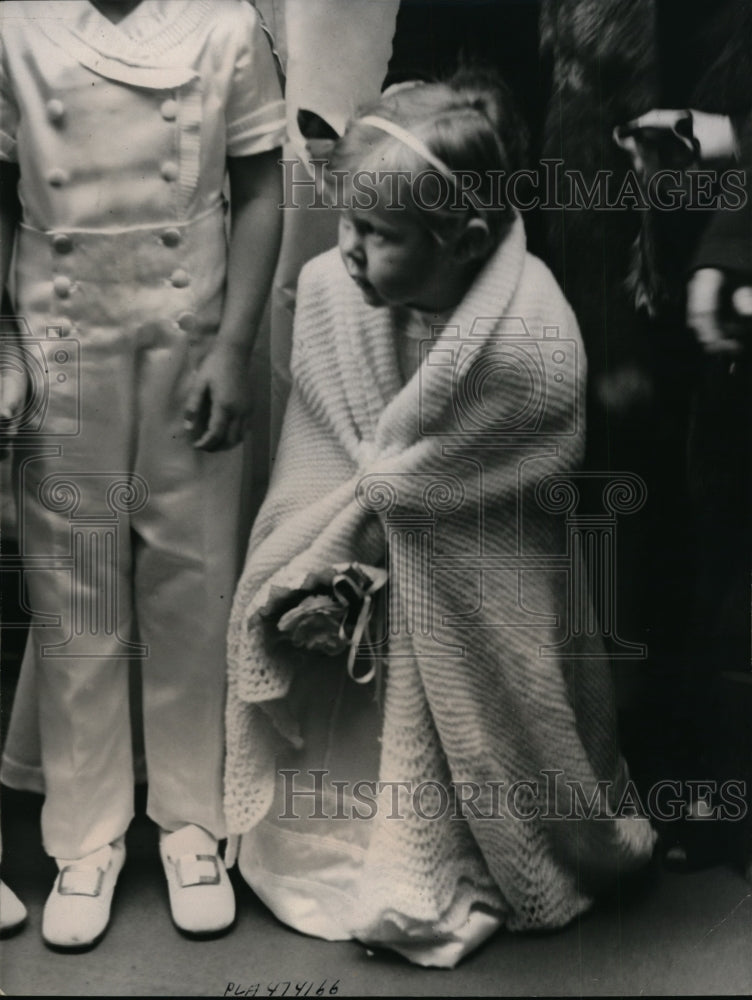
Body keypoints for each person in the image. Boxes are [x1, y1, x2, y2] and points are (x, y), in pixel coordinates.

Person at [223, 74, 656, 968]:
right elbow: (323, 453)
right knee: (343, 719)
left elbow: (497, 497)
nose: (346, 251)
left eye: (375, 237)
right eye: (344, 223)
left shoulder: (530, 339)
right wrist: (325, 554)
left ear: (462, 242)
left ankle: (465, 848)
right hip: (359, 589)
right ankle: (329, 843)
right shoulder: (329, 295)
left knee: (479, 707)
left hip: (473, 597)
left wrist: (399, 522)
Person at [0, 0, 284, 949]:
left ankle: (194, 822)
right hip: (60, 336)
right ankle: (83, 836)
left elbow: (261, 188)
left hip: (189, 330)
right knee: (72, 579)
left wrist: (235, 347)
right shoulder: (14, 23)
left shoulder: (225, 25)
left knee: (193, 578)